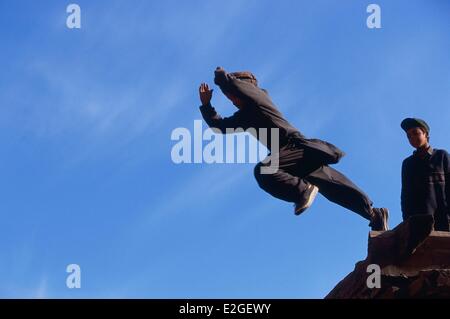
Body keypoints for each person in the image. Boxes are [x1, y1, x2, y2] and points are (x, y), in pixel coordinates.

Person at [198, 67, 389, 231]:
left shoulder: (259, 98)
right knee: (335, 188)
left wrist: (220, 74)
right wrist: (207, 105)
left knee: (265, 170)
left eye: (232, 97)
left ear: (244, 89)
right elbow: (220, 127)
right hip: (290, 158)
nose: (232, 101)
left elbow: (235, 85)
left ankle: (303, 191)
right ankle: (375, 216)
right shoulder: (244, 116)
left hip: (294, 146)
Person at [400, 118, 450, 231]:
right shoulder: (408, 164)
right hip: (419, 228)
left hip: (444, 223)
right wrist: (407, 223)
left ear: (425, 134)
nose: (412, 138)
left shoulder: (442, 156)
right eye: (408, 136)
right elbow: (406, 197)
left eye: (415, 133)